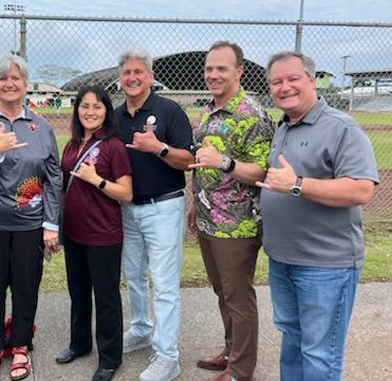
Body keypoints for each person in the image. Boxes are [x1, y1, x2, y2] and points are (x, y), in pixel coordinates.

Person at [258, 51, 379, 381]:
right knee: (293, 342)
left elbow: (361, 190)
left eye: (293, 79)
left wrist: (296, 184)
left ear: (312, 81)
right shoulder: (284, 127)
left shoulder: (341, 128)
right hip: (283, 260)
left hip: (325, 266)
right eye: (276, 82)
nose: (284, 87)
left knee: (319, 353)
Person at [0, 53, 61, 381]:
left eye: (15, 78)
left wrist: (51, 223)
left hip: (30, 225)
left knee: (25, 287)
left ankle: (20, 344)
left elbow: (52, 178)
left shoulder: (41, 126)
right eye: (3, 78)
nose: (9, 83)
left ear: (26, 85)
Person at [187, 41, 275, 381]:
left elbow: (262, 172)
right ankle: (230, 350)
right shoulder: (208, 112)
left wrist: (225, 162)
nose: (213, 75)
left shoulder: (251, 114)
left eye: (221, 69)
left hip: (237, 227)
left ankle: (241, 370)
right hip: (210, 221)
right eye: (209, 69)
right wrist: (196, 202)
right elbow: (202, 166)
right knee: (222, 291)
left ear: (239, 71)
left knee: (238, 297)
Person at [114, 48, 195, 381]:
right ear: (120, 79)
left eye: (138, 72)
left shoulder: (169, 110)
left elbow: (188, 160)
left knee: (163, 284)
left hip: (164, 206)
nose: (132, 78)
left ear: (149, 76)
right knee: (133, 276)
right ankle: (141, 328)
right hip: (128, 208)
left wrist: (158, 147)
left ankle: (167, 356)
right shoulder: (116, 117)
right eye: (126, 73)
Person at [55, 85, 133, 381]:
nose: (90, 112)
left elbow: (126, 193)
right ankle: (80, 344)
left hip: (103, 235)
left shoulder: (114, 145)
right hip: (74, 232)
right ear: (77, 109)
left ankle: (110, 358)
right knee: (78, 293)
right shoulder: (71, 145)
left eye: (97, 106)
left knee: (106, 297)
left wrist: (96, 179)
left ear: (106, 111)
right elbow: (64, 188)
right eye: (85, 106)